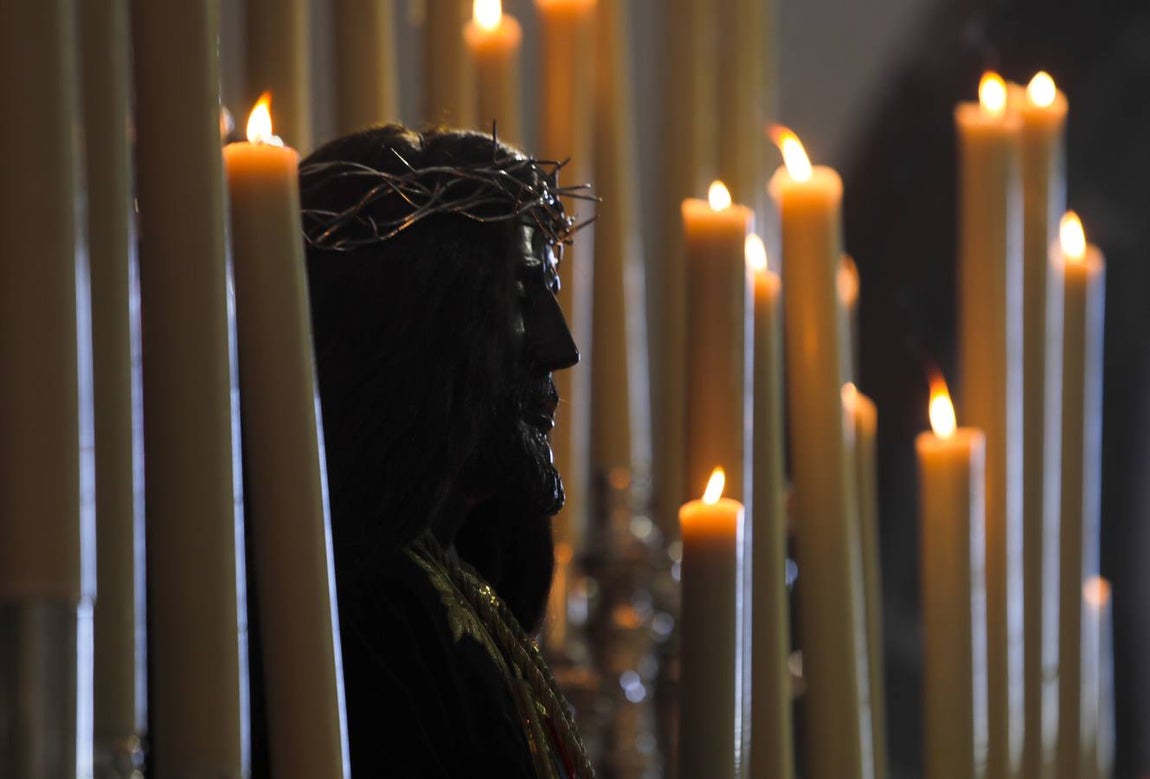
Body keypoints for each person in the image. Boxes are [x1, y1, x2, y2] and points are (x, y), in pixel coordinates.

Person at [298, 124, 595, 778]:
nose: (559, 347)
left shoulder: (460, 584)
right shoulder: (364, 620)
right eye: (521, 297)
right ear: (414, 324)